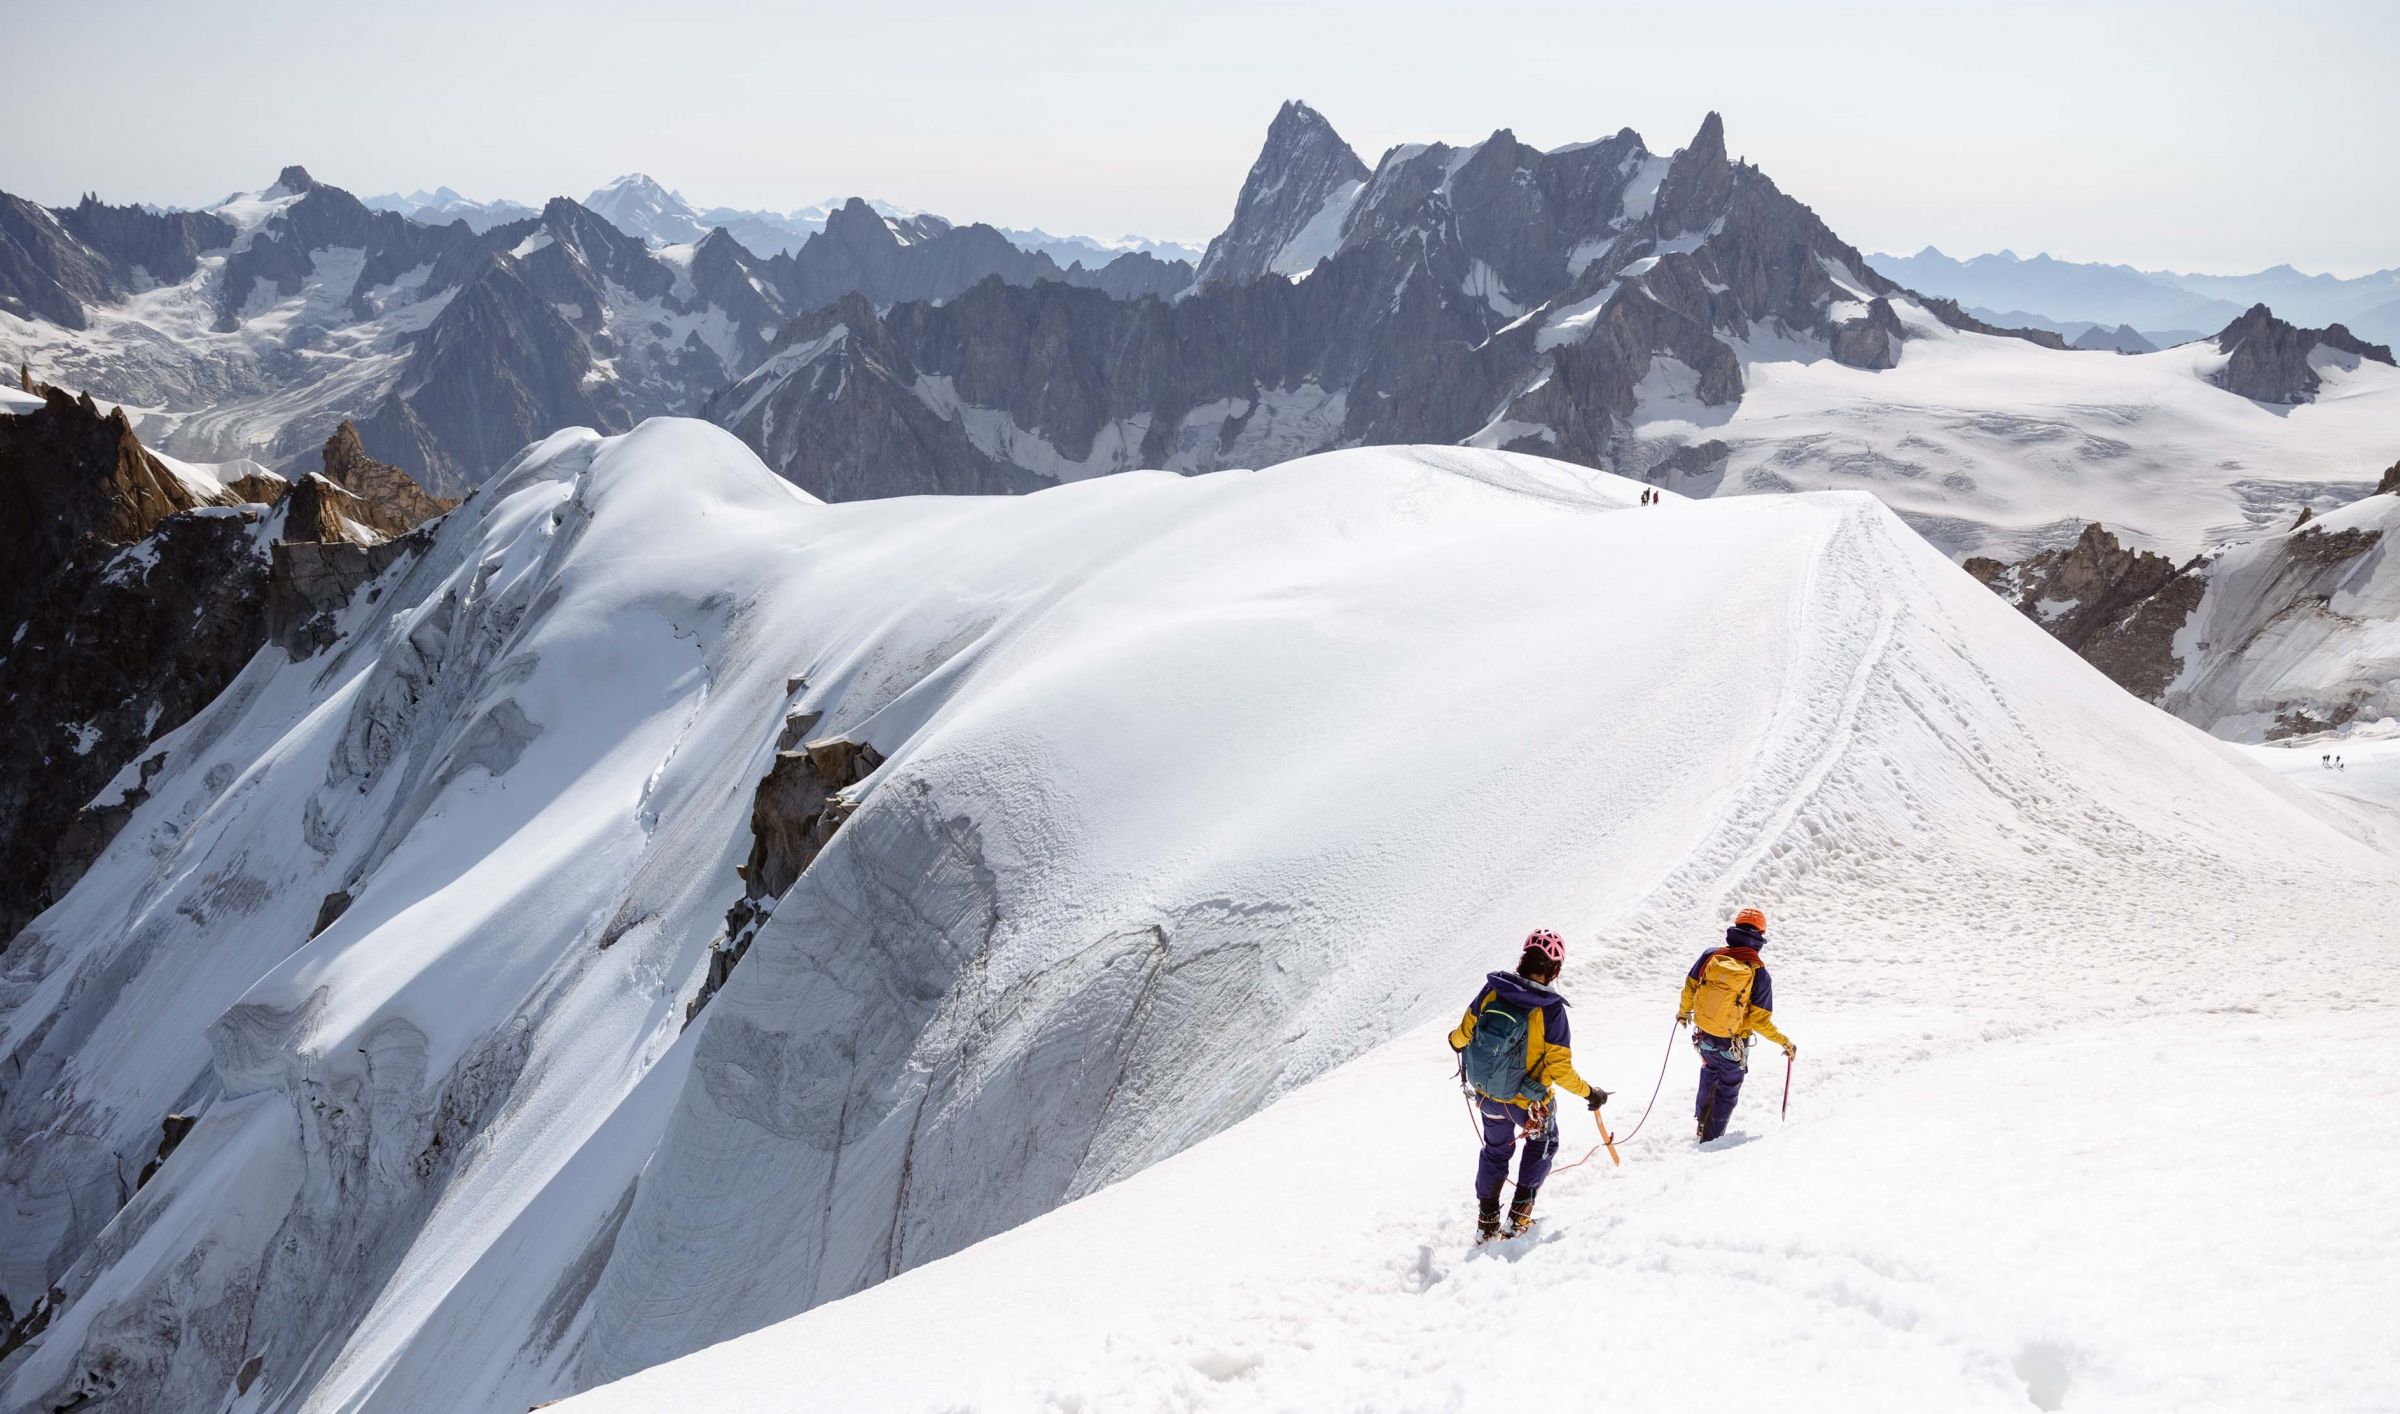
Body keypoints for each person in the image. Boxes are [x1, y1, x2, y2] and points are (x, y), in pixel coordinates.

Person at [1449, 929, 1609, 1242]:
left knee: (1495, 1151)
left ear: (1523, 958)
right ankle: (1518, 1220)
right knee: (1544, 1142)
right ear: (1556, 970)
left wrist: (1455, 1044)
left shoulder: (1494, 990)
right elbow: (1560, 1071)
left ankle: (1487, 1222)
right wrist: (1591, 1093)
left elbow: (1463, 1033)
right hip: (1529, 1106)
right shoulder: (1550, 1010)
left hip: (1488, 1097)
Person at [1676, 906, 1795, 1142]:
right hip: (1733, 1044)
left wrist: (1683, 1013)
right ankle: (1711, 1140)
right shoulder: (1759, 974)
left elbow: (1690, 986)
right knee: (1727, 1089)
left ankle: (1702, 1123)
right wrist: (1785, 1042)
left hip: (1704, 1035)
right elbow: (1759, 1021)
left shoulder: (1711, 955)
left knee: (1709, 1072)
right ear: (1760, 935)